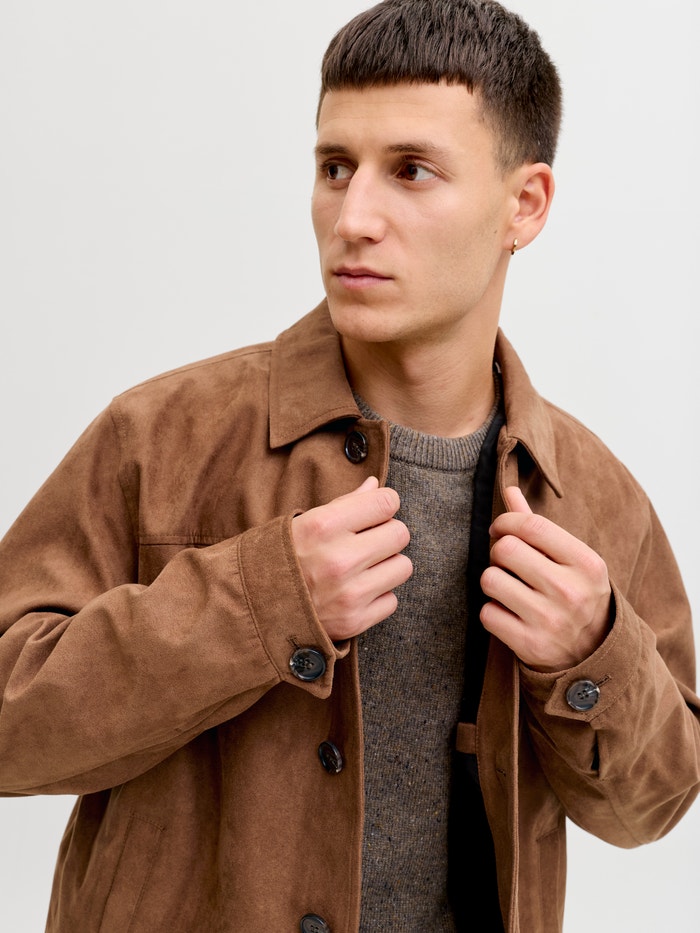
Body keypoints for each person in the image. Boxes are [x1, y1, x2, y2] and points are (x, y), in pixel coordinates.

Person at [0, 0, 698, 930]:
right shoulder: (160, 437)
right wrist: (256, 603)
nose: (353, 218)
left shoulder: (592, 496)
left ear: (524, 205)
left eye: (411, 170)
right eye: (335, 167)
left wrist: (593, 652)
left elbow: (652, 807)